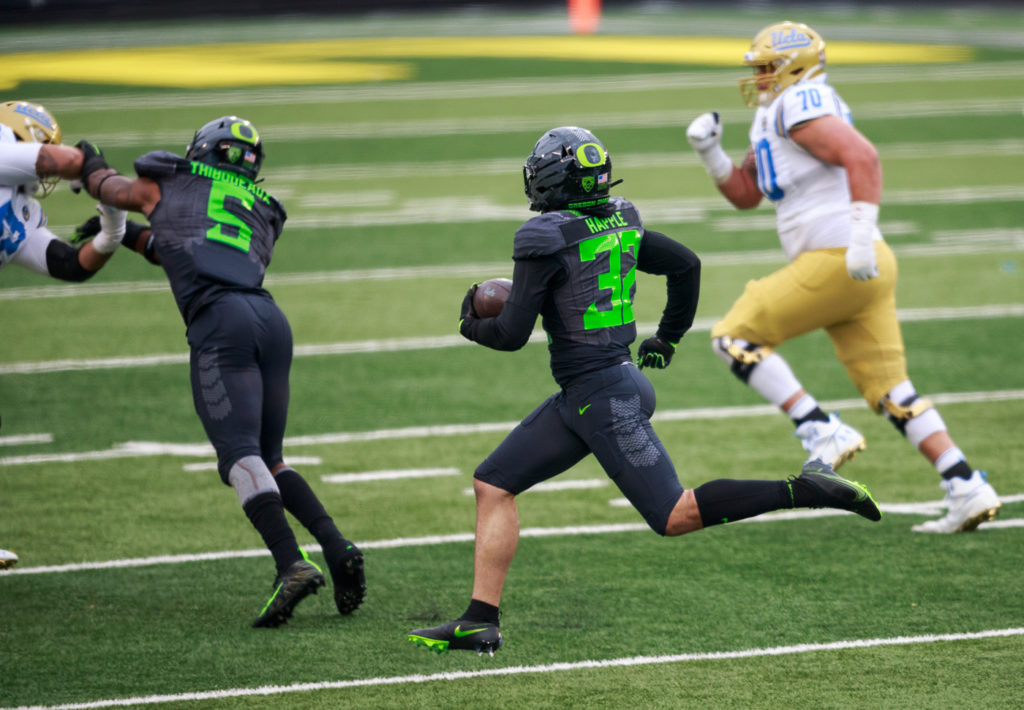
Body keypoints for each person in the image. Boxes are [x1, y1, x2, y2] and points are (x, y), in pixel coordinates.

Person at [407, 126, 881, 656]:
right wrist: (668, 338)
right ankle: (479, 621)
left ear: (555, 180)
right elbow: (686, 265)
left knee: (674, 515)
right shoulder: (621, 218)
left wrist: (470, 321)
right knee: (493, 483)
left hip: (604, 398)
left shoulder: (541, 238)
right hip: (595, 391)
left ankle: (807, 488)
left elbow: (511, 335)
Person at [684, 21, 1001, 534]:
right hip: (860, 266)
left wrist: (858, 236)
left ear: (796, 65)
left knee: (733, 337)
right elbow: (747, 194)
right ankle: (966, 484)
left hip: (839, 258)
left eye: (767, 67)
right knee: (893, 391)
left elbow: (863, 156)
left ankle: (818, 428)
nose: (760, 78)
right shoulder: (778, 110)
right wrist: (711, 154)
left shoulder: (799, 101)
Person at [71, 116, 366, 626]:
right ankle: (338, 548)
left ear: (201, 151)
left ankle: (289, 563)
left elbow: (110, 188)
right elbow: (183, 246)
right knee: (270, 458)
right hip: (269, 320)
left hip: (220, 322)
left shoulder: (170, 182)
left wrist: (88, 160)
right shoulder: (260, 208)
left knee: (238, 455)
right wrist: (131, 238)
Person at [1, 100, 128, 570]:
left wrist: (113, 230)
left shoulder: (18, 208)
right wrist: (93, 165)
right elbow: (67, 160)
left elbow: (69, 265)